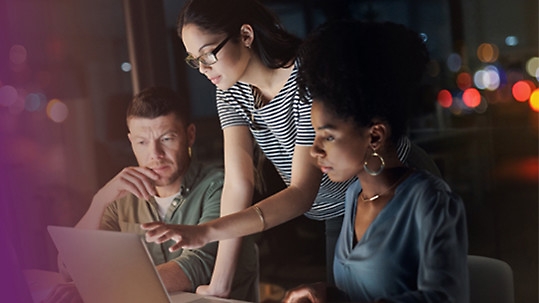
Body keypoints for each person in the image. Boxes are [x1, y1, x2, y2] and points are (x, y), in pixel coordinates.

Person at [143, 0, 441, 298]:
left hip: (390, 187)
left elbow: (301, 192)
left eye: (208, 54)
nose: (203, 69)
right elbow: (238, 184)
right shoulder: (231, 91)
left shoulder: (307, 78)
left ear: (245, 35)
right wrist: (221, 282)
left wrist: (206, 231)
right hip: (338, 209)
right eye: (194, 60)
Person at [281, 20, 469, 302]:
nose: (314, 150)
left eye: (328, 137)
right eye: (315, 134)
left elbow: (445, 298)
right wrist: (328, 294)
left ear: (375, 136)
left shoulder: (431, 201)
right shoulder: (354, 195)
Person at [43, 86, 258, 303]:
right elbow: (68, 268)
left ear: (189, 135)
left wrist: (102, 288)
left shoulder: (219, 186)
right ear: (131, 142)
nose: (155, 154)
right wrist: (99, 201)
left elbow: (199, 264)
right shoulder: (122, 196)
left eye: (166, 139)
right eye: (142, 142)